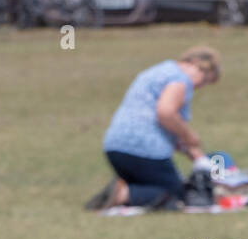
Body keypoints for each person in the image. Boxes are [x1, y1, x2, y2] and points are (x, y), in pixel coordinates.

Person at [87, 47, 222, 211]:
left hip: (115, 145)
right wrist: (189, 136)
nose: (200, 86)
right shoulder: (179, 79)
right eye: (204, 80)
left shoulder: (157, 72)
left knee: (153, 182)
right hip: (144, 148)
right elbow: (166, 113)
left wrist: (197, 156)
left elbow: (165, 122)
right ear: (195, 64)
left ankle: (123, 190)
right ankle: (125, 193)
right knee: (176, 194)